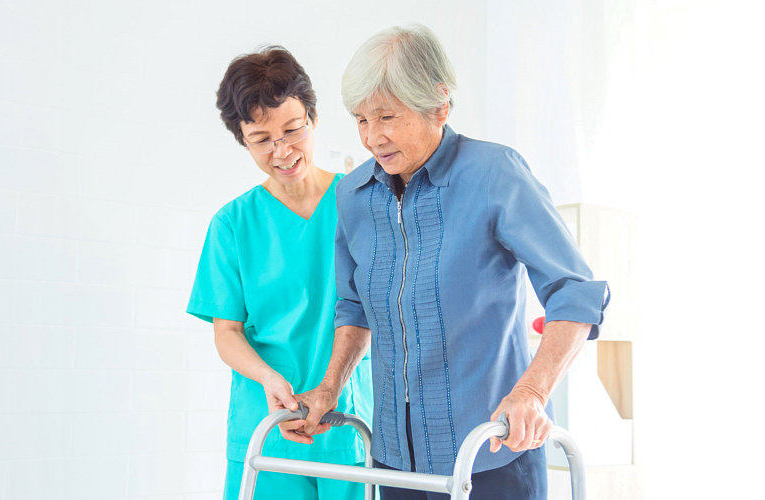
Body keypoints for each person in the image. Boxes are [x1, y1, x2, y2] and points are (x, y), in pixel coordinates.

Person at [279, 25, 610, 499]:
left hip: (492, 452)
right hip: (395, 462)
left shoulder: (495, 174)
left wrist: (532, 393)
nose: (373, 137)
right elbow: (353, 308)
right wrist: (330, 387)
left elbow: (575, 291)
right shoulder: (353, 196)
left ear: (440, 104)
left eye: (387, 117)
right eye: (361, 120)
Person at [186, 46, 373, 500]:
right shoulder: (232, 224)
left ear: (312, 117)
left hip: (347, 422)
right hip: (267, 426)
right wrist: (270, 379)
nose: (283, 151)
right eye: (262, 139)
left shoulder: (362, 204)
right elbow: (226, 332)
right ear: (242, 139)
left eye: (293, 130)